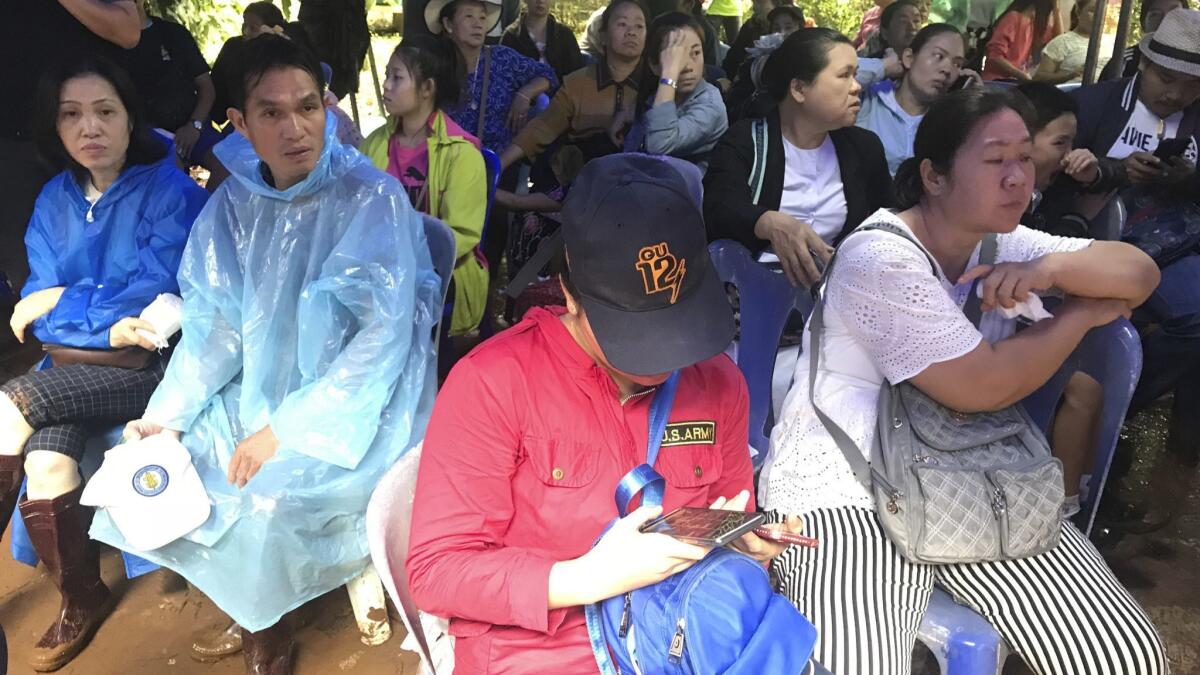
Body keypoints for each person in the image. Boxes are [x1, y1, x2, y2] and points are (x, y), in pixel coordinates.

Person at [759, 86, 1167, 675]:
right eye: (995, 159)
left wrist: (1050, 268)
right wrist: (1080, 312)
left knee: (1123, 655)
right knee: (862, 664)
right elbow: (984, 385)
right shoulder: (879, 256)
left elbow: (1140, 273)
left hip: (974, 475)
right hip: (848, 489)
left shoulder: (1008, 241)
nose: (1017, 178)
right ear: (934, 176)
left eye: (1025, 157)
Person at [95, 35, 440, 674]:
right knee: (180, 454)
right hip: (264, 387)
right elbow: (218, 327)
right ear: (241, 124)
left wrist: (285, 430)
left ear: (327, 108)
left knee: (263, 496)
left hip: (357, 408)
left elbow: (382, 343)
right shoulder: (236, 202)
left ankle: (266, 632)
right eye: (272, 112)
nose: (296, 127)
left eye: (308, 107)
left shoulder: (371, 199)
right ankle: (249, 600)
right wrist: (170, 411)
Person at [407, 153, 802, 674]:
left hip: (678, 638)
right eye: (635, 336)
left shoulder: (718, 382)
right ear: (568, 291)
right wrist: (590, 577)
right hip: (539, 652)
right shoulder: (494, 383)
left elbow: (726, 512)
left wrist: (743, 543)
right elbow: (437, 570)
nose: (665, 357)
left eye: (678, 322)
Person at [1, 55, 205, 672]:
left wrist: (62, 300)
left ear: (129, 116)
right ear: (54, 127)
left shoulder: (169, 190)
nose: (90, 127)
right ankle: (80, 598)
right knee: (44, 455)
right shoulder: (54, 199)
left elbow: (158, 297)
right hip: (70, 369)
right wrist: (81, 309)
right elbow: (33, 306)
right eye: (71, 114)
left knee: (9, 406)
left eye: (104, 111)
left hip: (147, 371)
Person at [1070, 8, 1200, 518]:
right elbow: (1058, 169)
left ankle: (1126, 405)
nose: (1175, 95)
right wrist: (1113, 171)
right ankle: (1112, 399)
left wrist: (1182, 180)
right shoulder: (1095, 105)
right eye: (1166, 79)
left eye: (1190, 87)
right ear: (1142, 64)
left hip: (1176, 240)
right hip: (1106, 239)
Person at [704, 28, 894, 288]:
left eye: (855, 74)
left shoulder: (863, 147)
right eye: (844, 75)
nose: (857, 86)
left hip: (839, 294)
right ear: (799, 88)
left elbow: (886, 216)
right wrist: (766, 221)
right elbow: (719, 207)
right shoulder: (746, 141)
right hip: (755, 295)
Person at [0, 0, 140, 321]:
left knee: (117, 259)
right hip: (12, 143)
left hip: (85, 132)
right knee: (32, 274)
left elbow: (128, 31)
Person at [361, 36, 489, 338]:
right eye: (386, 76)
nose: (386, 86)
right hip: (381, 266)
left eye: (397, 77)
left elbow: (460, 236)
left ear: (428, 88)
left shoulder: (461, 153)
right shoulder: (375, 143)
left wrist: (400, 260)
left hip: (442, 272)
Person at [500, 0, 648, 170]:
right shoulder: (576, 84)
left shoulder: (657, 85)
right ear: (603, 36)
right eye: (622, 24)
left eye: (639, 26)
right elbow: (541, 128)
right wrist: (499, 164)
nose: (631, 32)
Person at [432, 0, 556, 155]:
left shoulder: (502, 58)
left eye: (482, 18)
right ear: (448, 24)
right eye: (469, 16)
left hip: (498, 160)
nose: (478, 24)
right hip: (444, 159)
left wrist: (525, 93)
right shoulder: (433, 64)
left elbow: (548, 74)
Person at [856, 23, 977, 175]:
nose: (947, 70)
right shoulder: (869, 100)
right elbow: (829, 74)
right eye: (938, 56)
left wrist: (975, 108)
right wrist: (884, 66)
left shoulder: (946, 122)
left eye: (957, 64)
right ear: (909, 58)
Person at [121, 0, 223, 172]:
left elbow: (206, 86)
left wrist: (195, 125)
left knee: (229, 166)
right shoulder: (108, 44)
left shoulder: (174, 33)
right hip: (145, 134)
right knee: (171, 174)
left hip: (193, 123)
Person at [623, 12, 728, 172]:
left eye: (696, 53)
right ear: (654, 65)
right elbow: (630, 154)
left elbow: (659, 144)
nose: (688, 67)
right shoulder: (656, 97)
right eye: (676, 57)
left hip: (687, 193)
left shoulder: (710, 105)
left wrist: (669, 73)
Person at [501, 0, 587, 82]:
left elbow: (575, 75)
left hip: (561, 94)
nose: (541, 1)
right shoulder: (511, 36)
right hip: (522, 94)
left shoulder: (564, 35)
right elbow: (504, 77)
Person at [1100, 0, 1186, 81]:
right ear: (1143, 25)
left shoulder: (1195, 63)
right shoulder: (1124, 63)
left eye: (1175, 13)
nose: (1165, 21)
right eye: (1155, 15)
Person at [981, 0, 1062, 81]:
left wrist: (1056, 9)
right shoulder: (1013, 18)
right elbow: (995, 57)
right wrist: (1020, 74)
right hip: (997, 82)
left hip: (1015, 83)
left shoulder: (1036, 26)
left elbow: (1060, 41)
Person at [1033, 0, 1110, 84]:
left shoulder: (1111, 43)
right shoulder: (1062, 42)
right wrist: (1068, 76)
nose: (1098, 16)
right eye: (1092, 11)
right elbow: (1038, 77)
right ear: (1078, 12)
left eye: (1103, 12)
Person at [722, 0, 781, 77]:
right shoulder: (751, 26)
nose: (754, 7)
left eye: (759, 2)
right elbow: (732, 58)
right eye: (753, 2)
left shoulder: (788, 30)